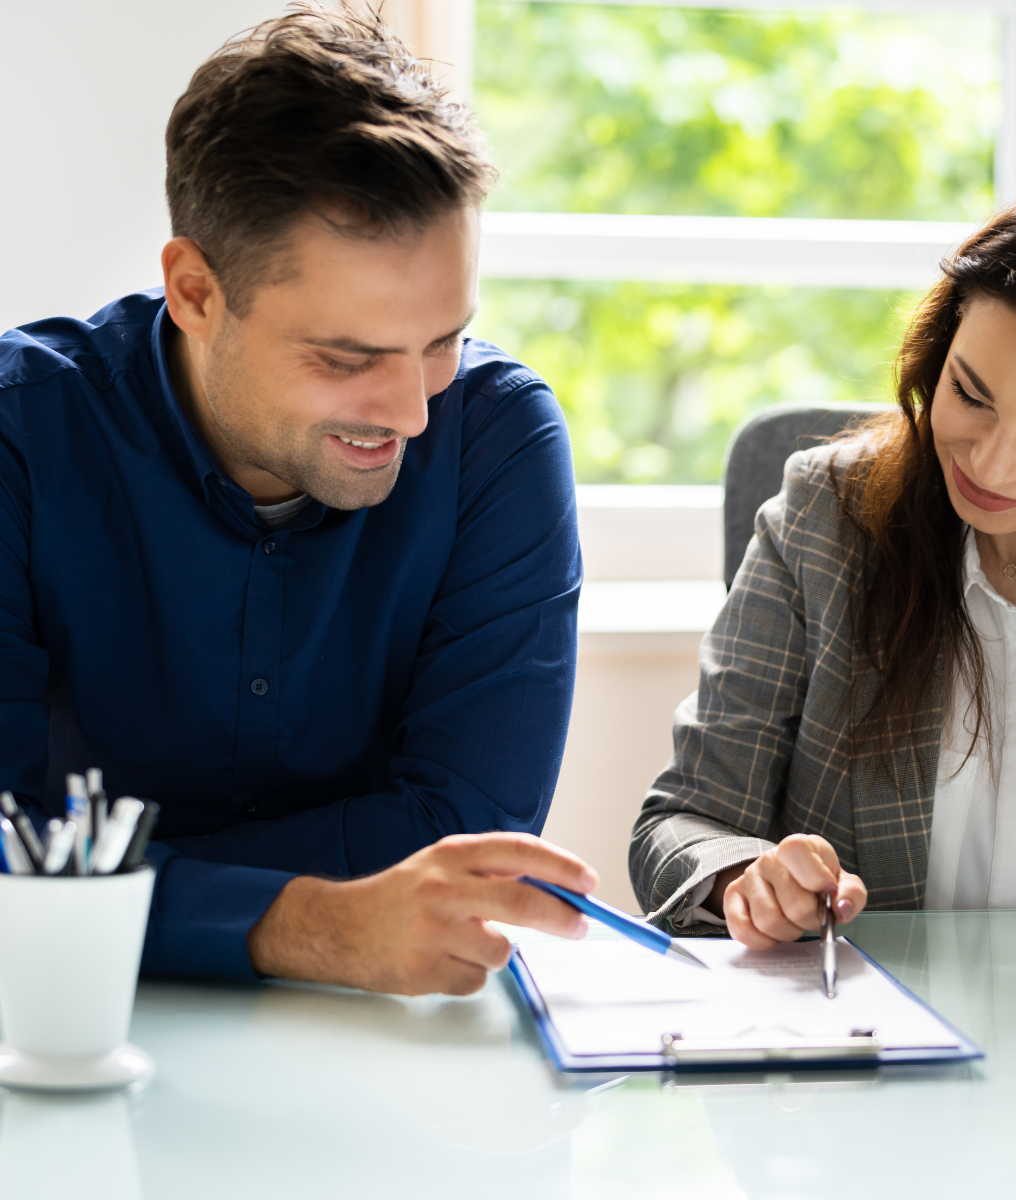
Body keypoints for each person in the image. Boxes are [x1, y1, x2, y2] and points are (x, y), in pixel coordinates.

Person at [0, 3, 599, 995]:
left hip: (372, 1032)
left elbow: (466, 838)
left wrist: (118, 880)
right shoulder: (21, 432)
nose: (412, 413)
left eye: (442, 341)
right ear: (196, 292)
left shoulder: (498, 438)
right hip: (67, 1020)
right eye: (347, 358)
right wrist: (306, 925)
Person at [631, 171, 1016, 948]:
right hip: (873, 1022)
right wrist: (745, 879)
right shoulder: (826, 520)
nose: (990, 465)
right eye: (970, 395)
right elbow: (683, 820)